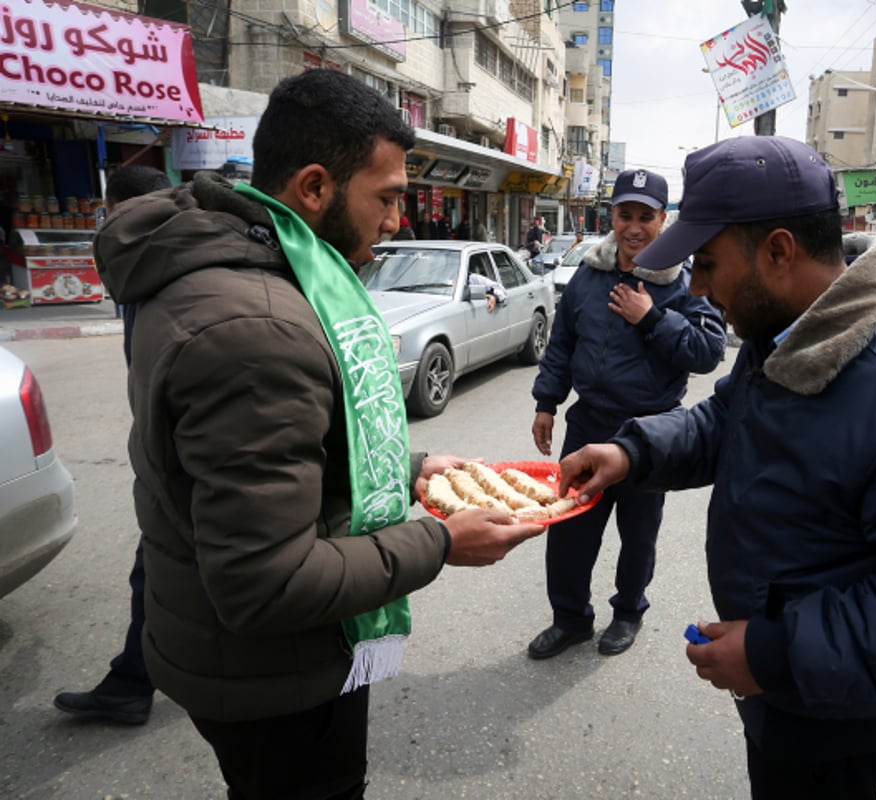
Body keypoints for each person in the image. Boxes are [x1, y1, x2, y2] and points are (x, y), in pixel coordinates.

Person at [93, 69, 545, 798]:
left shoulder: (241, 264)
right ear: (313, 188)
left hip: (237, 654)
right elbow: (264, 584)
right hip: (275, 679)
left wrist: (411, 468)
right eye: (388, 197)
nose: (398, 221)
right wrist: (441, 541)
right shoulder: (258, 324)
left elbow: (289, 452)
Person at [556, 137, 876, 799]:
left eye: (709, 264)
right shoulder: (786, 334)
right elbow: (726, 423)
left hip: (837, 715)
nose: (696, 287)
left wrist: (775, 652)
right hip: (790, 691)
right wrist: (632, 451)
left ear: (779, 251)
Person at [527, 168, 726, 660]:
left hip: (651, 432)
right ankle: (570, 619)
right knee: (568, 530)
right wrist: (547, 402)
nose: (634, 227)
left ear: (663, 220)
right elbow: (562, 344)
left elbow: (706, 351)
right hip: (588, 422)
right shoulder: (589, 276)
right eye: (625, 214)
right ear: (611, 216)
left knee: (637, 537)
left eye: (646, 216)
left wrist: (652, 317)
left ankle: (628, 612)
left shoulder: (684, 282)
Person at [52, 166, 172, 726]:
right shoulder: (151, 261)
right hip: (168, 446)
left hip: (178, 453)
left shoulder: (160, 265)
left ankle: (132, 682)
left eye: (108, 212)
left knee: (159, 568)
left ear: (121, 209)